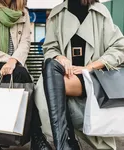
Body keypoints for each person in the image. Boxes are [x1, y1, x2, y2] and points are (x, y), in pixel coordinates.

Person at [41, 0, 124, 150]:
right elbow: (50, 49)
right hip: (67, 73)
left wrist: (90, 67)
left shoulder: (101, 12)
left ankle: (66, 142)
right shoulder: (57, 13)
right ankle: (65, 143)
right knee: (50, 69)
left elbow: (119, 48)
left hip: (94, 76)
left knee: (54, 84)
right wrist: (60, 57)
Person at [0, 0, 52, 150]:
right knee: (18, 75)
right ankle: (36, 136)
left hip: (16, 65)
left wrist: (14, 60)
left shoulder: (24, 12)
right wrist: (8, 60)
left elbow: (25, 43)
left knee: (17, 74)